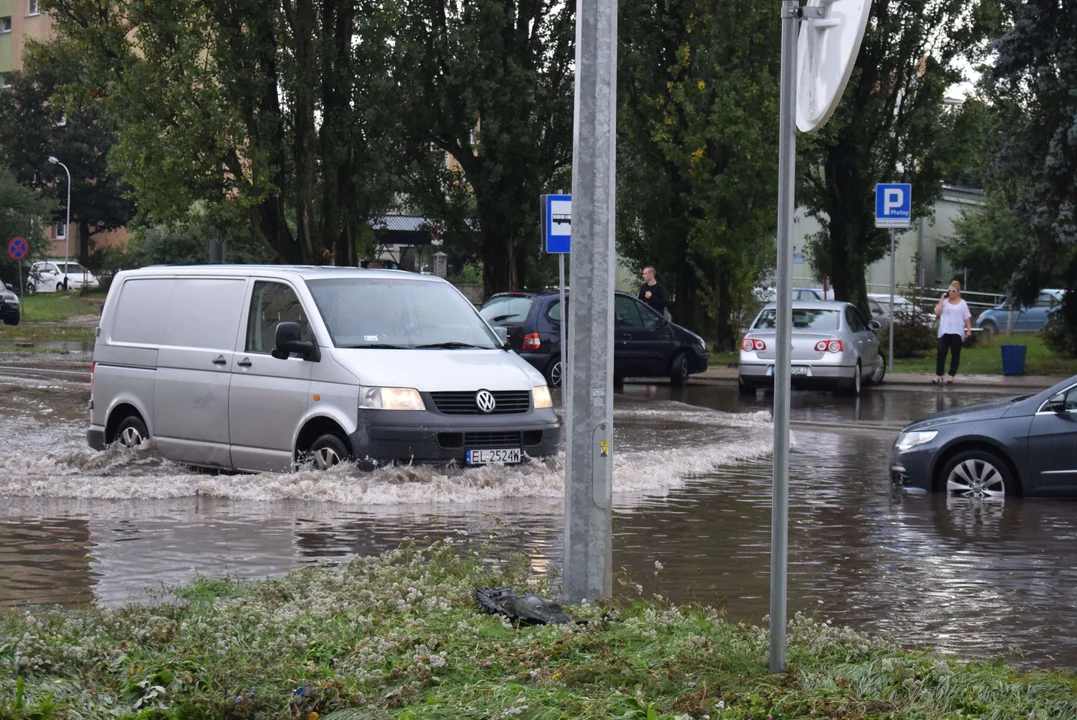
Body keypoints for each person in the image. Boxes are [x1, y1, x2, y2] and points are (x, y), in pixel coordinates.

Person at [933, 280, 972, 384]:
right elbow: (937, 312)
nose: (951, 293)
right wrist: (942, 299)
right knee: (941, 352)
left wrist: (968, 329)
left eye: (953, 290)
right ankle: (939, 374)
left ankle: (951, 375)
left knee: (955, 354)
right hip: (945, 331)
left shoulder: (962, 304)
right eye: (949, 290)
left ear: (958, 292)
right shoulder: (945, 302)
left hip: (957, 332)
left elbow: (967, 317)